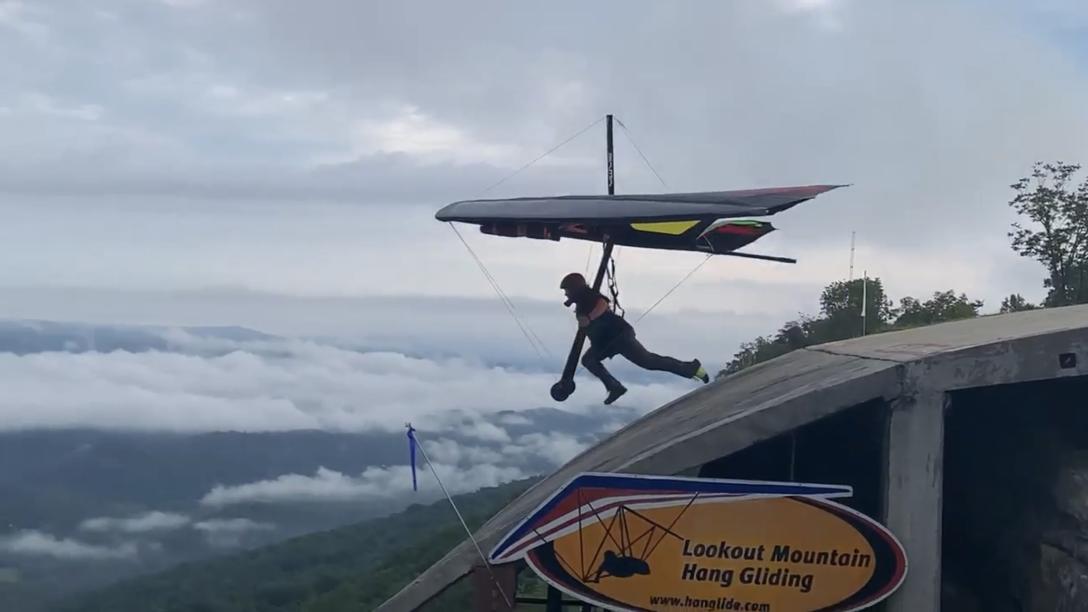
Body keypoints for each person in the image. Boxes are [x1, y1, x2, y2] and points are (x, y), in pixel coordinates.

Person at [560, 272, 709, 404]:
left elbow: (602, 303)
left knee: (649, 361)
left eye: (567, 291)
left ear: (575, 289)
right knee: (589, 360)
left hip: (619, 337)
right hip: (606, 342)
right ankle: (614, 387)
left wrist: (590, 318)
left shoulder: (588, 295)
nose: (566, 294)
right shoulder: (581, 303)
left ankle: (692, 368)